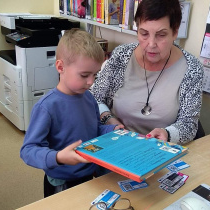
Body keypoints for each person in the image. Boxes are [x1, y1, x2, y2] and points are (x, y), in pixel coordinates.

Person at [20, 28, 123, 198]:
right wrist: (58, 157)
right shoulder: (47, 107)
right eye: (84, 75)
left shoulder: (89, 98)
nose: (90, 82)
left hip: (90, 172)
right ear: (61, 67)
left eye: (95, 75)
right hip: (63, 181)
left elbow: (93, 130)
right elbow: (28, 150)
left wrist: (112, 130)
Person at [90, 0, 204, 145]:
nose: (151, 44)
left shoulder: (191, 69)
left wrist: (167, 134)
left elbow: (189, 124)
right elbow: (94, 99)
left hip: (160, 150)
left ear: (175, 32)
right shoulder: (121, 56)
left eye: (161, 35)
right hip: (117, 143)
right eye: (144, 34)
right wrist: (109, 120)